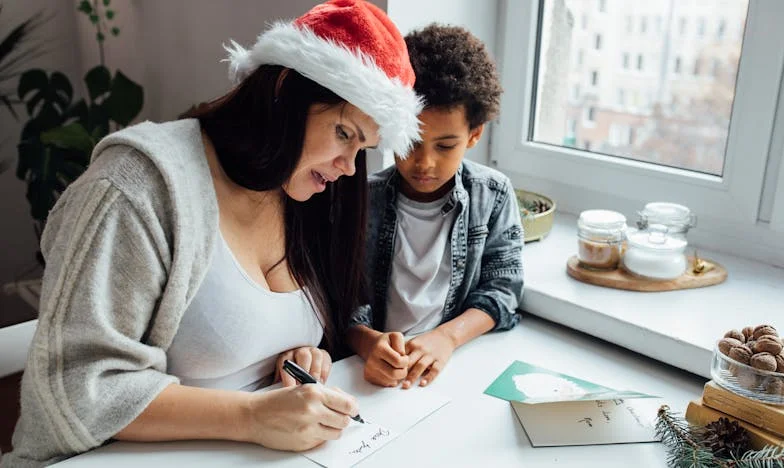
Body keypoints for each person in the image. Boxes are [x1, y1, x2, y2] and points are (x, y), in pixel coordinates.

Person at [2, 1, 422, 466]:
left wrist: (294, 358)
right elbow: (75, 390)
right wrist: (252, 416)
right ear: (285, 88)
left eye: (363, 148)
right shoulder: (135, 187)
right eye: (344, 133)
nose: (349, 168)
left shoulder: (300, 193)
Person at [348, 24, 523, 389]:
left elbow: (502, 292)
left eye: (445, 146)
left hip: (452, 371)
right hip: (368, 373)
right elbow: (337, 299)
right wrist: (368, 343)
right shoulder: (363, 198)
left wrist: (447, 338)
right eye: (410, 141)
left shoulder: (492, 195)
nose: (424, 163)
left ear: (474, 135)